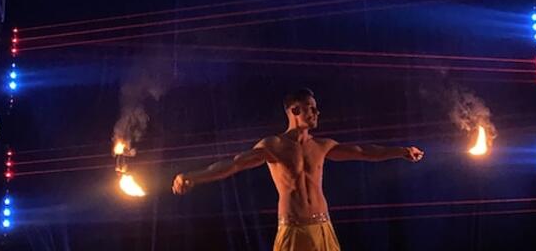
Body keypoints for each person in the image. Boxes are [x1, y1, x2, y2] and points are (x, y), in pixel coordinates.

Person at [172, 88, 424, 251]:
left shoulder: (322, 146)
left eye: (316, 108)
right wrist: (193, 176)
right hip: (294, 230)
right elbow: (234, 164)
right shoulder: (274, 146)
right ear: (294, 110)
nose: (316, 112)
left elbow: (364, 152)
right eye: (310, 108)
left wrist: (402, 151)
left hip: (323, 227)